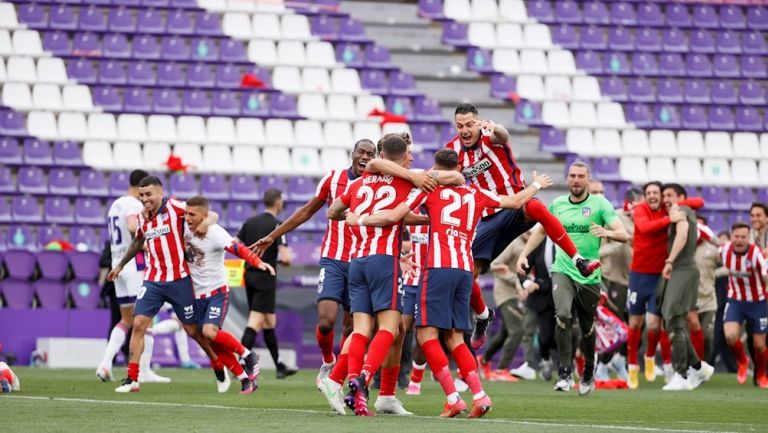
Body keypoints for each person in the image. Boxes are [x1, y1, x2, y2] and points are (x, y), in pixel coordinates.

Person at [346, 148, 554, 417]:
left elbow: (394, 215)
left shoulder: (428, 189)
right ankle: (479, 396)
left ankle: (453, 398)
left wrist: (359, 218)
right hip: (465, 270)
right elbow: (516, 202)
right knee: (455, 337)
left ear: (435, 167)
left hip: (437, 269)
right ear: (458, 167)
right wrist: (536, 184)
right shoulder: (475, 193)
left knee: (424, 335)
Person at [446, 103, 600, 350]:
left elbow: (503, 135)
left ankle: (578, 260)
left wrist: (496, 128)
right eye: (460, 126)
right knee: (468, 273)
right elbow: (444, 172)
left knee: (538, 207)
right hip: (487, 216)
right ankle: (483, 316)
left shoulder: (490, 136)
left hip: (515, 204)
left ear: (479, 122)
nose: (465, 130)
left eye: (469, 124)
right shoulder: (453, 151)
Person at [249, 139, 376, 387]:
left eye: (371, 154)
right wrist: (273, 236)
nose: (365, 157)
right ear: (352, 154)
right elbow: (307, 211)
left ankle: (341, 379)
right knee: (326, 321)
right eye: (361, 152)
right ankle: (328, 361)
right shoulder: (333, 179)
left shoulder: (377, 185)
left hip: (361, 262)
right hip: (333, 259)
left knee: (352, 329)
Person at [516, 162, 628, 396]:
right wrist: (524, 254)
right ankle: (565, 373)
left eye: (580, 176)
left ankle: (589, 368)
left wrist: (606, 232)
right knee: (563, 315)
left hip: (589, 274)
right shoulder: (557, 205)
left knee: (587, 326)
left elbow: (623, 234)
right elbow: (541, 230)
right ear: (567, 179)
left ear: (587, 180)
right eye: (572, 176)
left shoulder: (600, 204)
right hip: (563, 269)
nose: (576, 180)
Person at [107, 176, 220, 393]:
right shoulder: (141, 217)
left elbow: (211, 214)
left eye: (149, 194)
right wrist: (121, 265)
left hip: (179, 280)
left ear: (160, 192)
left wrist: (207, 222)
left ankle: (217, 364)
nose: (145, 199)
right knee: (138, 324)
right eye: (141, 195)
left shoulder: (177, 207)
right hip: (153, 280)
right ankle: (132, 379)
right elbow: (138, 241)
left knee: (192, 331)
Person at [183, 196, 273, 394]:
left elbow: (237, 248)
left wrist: (258, 262)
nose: (187, 218)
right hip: (196, 295)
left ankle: (248, 355)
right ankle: (244, 379)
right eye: (186, 213)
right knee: (209, 341)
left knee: (209, 332)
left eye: (192, 214)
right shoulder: (183, 226)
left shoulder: (214, 232)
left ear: (204, 215)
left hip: (217, 292)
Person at [97, 169, 172, 384]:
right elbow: (132, 226)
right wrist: (150, 245)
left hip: (117, 264)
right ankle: (145, 370)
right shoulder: (132, 204)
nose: (146, 197)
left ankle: (105, 363)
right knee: (146, 319)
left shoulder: (115, 204)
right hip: (132, 266)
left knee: (126, 319)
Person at [626, 182, 703, 388]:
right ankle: (632, 366)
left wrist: (677, 205)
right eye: (648, 192)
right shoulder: (641, 210)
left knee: (655, 324)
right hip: (638, 275)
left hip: (659, 275)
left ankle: (651, 358)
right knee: (635, 323)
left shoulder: (669, 209)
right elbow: (644, 227)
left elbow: (698, 201)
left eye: (656, 193)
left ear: (661, 197)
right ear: (644, 196)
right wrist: (670, 218)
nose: (652, 196)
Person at [657, 184, 714, 391]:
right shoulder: (680, 210)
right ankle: (698, 367)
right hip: (681, 268)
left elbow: (682, 234)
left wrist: (670, 260)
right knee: (675, 322)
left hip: (682, 268)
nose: (665, 199)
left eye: (669, 195)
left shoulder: (682, 210)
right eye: (664, 195)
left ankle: (681, 374)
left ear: (681, 197)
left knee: (673, 318)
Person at [237, 188, 297, 379]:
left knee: (269, 321)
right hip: (265, 276)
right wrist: (282, 261)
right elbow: (286, 257)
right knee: (255, 320)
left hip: (249, 274)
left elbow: (236, 245)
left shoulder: (249, 222)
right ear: (278, 202)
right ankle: (240, 361)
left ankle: (279, 365)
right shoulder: (278, 225)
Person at [595, 188, 642, 381]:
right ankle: (602, 365)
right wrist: (601, 255)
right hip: (615, 278)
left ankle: (619, 359)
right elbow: (602, 243)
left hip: (638, 278)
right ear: (628, 202)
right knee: (617, 325)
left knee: (639, 325)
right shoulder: (615, 216)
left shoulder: (644, 219)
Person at [720, 222, 768, 388]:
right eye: (736, 236)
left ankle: (761, 374)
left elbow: (765, 271)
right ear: (732, 237)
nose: (739, 240)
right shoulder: (725, 249)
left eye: (743, 237)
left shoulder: (756, 253)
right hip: (736, 301)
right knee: (730, 336)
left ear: (749, 238)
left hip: (758, 302)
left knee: (759, 345)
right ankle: (742, 361)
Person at [477, 237, 526, 382]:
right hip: (505, 293)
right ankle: (501, 369)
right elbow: (495, 265)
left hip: (518, 293)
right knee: (517, 330)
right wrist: (517, 281)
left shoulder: (534, 242)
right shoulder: (513, 242)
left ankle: (484, 360)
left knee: (505, 332)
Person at [691, 216, 721, 362]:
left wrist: (715, 274)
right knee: (689, 335)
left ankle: (705, 364)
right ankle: (691, 366)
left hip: (708, 300)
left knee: (707, 336)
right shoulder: (684, 246)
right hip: (689, 300)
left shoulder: (713, 249)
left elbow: (729, 264)